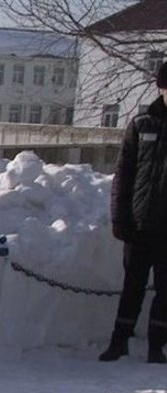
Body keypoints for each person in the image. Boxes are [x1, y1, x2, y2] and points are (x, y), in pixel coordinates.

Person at [102, 61, 167, 363]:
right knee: (132, 287)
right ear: (160, 87)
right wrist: (120, 217)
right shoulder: (142, 124)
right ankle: (119, 341)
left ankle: (156, 346)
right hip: (139, 223)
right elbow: (123, 174)